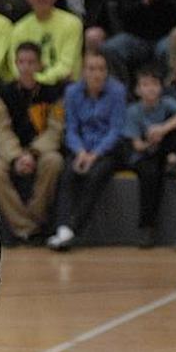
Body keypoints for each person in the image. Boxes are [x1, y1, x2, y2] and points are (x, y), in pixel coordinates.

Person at [0, 42, 65, 243]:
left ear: (39, 65)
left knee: (54, 162)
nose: (26, 67)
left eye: (31, 62)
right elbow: (0, 131)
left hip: (40, 151)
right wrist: (16, 156)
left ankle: (34, 218)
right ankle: (26, 227)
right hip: (11, 153)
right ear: (15, 64)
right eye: (21, 62)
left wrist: (32, 153)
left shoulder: (52, 94)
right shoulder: (3, 95)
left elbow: (55, 129)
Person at [47, 51, 126, 251]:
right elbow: (71, 128)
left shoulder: (117, 91)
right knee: (66, 175)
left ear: (107, 72)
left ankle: (73, 229)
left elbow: (115, 130)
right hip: (80, 147)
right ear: (83, 72)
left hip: (106, 150)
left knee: (95, 176)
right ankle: (61, 227)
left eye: (101, 69)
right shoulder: (72, 92)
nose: (96, 74)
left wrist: (95, 155)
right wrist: (81, 152)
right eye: (91, 69)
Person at [123, 65, 176, 248]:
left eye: (154, 84)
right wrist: (151, 141)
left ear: (160, 88)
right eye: (145, 85)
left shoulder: (166, 102)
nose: (151, 88)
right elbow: (137, 145)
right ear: (138, 90)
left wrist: (162, 130)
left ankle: (173, 158)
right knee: (150, 175)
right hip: (144, 154)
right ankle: (147, 228)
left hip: (164, 150)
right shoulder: (133, 111)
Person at [9, 0, 84, 85]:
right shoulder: (19, 28)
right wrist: (30, 80)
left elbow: (67, 65)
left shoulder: (72, 23)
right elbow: (14, 64)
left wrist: (39, 79)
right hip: (29, 86)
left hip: (63, 84)